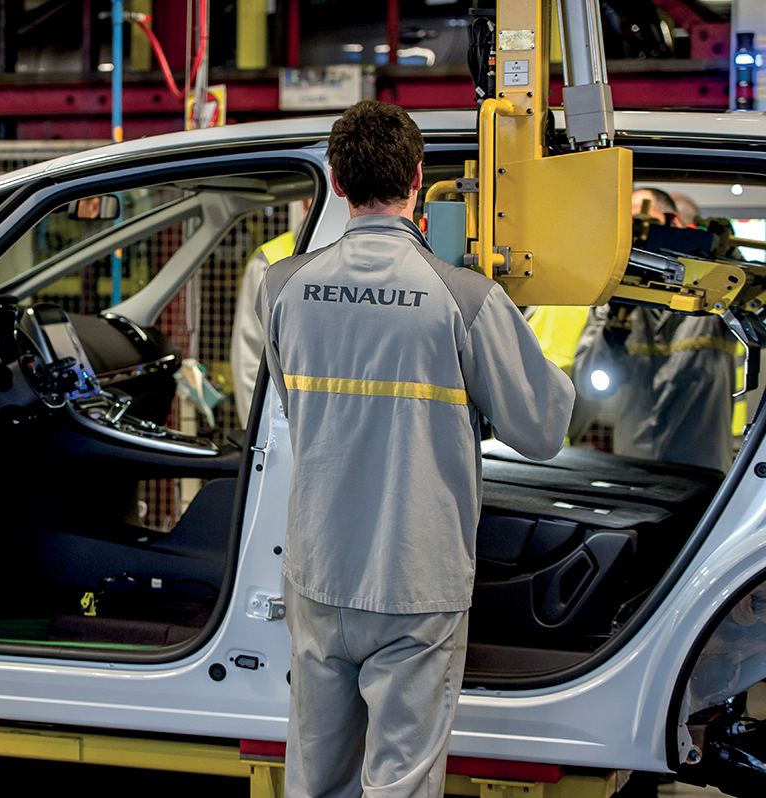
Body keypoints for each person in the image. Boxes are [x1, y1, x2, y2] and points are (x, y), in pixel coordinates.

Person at [258, 100, 574, 798]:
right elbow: (542, 430)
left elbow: (296, 403)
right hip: (415, 576)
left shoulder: (279, 287)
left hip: (319, 569)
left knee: (314, 778)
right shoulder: (464, 297)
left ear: (336, 183)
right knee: (400, 782)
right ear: (420, 178)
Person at [573, 188, 738, 472]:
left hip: (701, 471)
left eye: (644, 223)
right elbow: (589, 388)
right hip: (634, 469)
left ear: (675, 227)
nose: (638, 239)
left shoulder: (714, 303)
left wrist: (725, 258)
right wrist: (612, 333)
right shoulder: (613, 305)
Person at [231, 199, 310, 426]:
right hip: (283, 426)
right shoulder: (269, 261)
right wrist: (256, 430)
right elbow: (250, 358)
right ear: (305, 204)